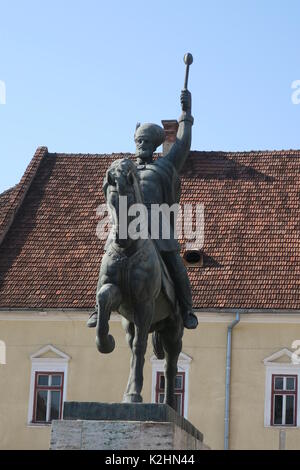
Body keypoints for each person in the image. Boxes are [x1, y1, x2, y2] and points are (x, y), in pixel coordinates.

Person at [87, 88, 198, 329]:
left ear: (155, 145)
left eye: (147, 142)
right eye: (139, 141)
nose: (142, 145)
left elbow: (183, 144)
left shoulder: (164, 167)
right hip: (128, 224)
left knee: (176, 263)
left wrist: (185, 113)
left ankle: (187, 308)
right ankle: (98, 309)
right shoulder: (125, 168)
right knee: (107, 258)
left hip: (157, 226)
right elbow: (109, 192)